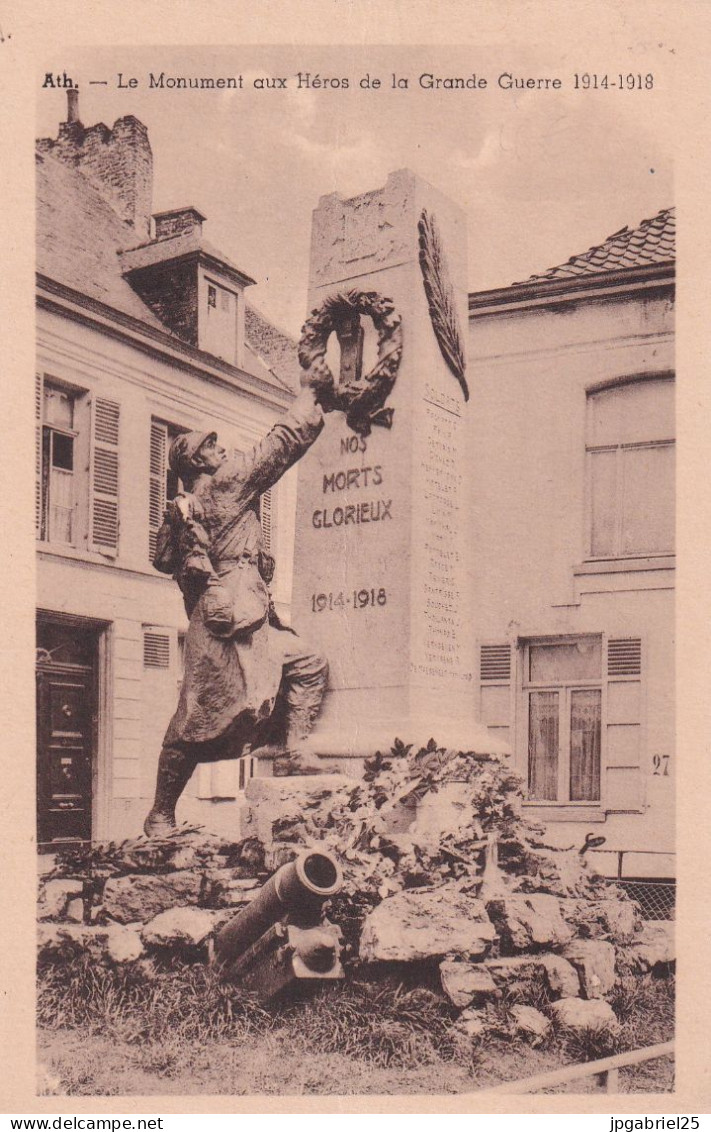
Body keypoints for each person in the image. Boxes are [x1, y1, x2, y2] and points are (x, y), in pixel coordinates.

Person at [143, 378, 330, 838]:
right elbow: (280, 446)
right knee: (195, 719)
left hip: (239, 615)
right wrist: (312, 393)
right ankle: (161, 811)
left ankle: (294, 747)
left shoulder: (189, 502)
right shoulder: (224, 484)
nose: (221, 450)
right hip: (226, 616)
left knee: (306, 663)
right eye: (212, 446)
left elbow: (161, 557)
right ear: (196, 461)